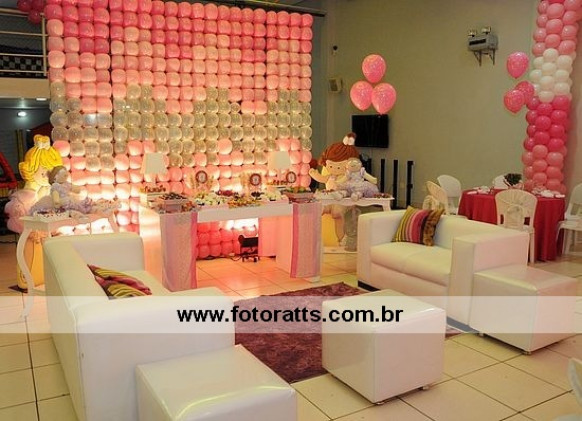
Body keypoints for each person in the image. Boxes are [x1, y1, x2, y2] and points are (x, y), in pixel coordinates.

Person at [5, 134, 63, 233]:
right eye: (43, 173)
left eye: (51, 171)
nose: (47, 176)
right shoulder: (29, 193)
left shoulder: (54, 187)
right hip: (35, 224)